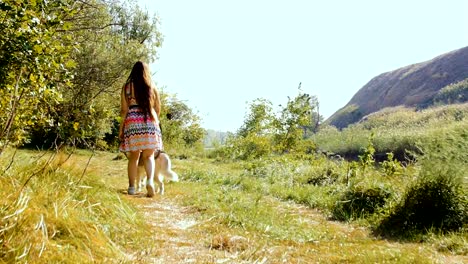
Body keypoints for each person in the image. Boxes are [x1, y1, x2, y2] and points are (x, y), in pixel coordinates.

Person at [119, 61, 163, 197]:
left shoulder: (126, 87)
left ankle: (132, 187)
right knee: (149, 156)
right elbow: (158, 108)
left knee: (134, 157)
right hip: (150, 120)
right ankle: (150, 181)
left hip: (132, 121)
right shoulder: (152, 87)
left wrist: (121, 128)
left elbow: (124, 110)